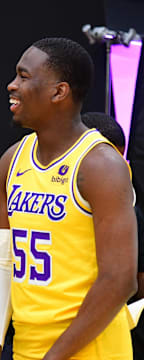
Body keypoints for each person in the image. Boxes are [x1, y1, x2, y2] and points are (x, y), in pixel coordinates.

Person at [0, 38, 138, 360]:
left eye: (24, 77)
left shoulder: (100, 165)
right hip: (28, 346)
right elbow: (1, 260)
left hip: (90, 349)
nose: (12, 85)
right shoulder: (11, 160)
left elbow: (120, 280)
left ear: (58, 92)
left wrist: (53, 357)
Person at [81, 111, 144, 360]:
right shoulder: (35, 201)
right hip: (37, 332)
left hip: (107, 340)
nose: (115, 172)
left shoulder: (132, 213)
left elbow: (134, 285)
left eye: (120, 161)